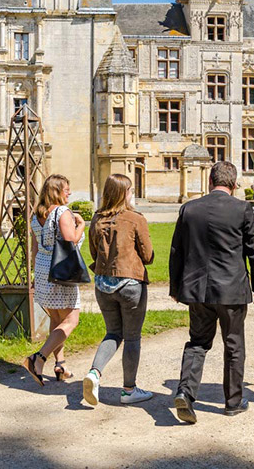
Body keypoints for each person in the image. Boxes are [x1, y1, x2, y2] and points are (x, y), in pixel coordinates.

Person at [169, 160, 254, 423]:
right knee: (233, 344)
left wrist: (175, 287)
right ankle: (233, 402)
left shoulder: (189, 208)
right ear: (234, 185)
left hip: (198, 289)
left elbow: (176, 251)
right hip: (232, 290)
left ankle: (185, 393)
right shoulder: (242, 209)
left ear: (210, 182)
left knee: (198, 342)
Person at [81, 174, 155, 406]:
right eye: (130, 190)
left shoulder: (96, 219)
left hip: (103, 284)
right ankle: (129, 390)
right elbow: (148, 255)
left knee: (113, 333)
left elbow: (94, 253)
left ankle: (94, 373)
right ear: (125, 193)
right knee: (132, 337)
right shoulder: (135, 219)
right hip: (130, 282)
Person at [22, 174, 85, 386]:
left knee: (57, 319)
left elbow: (35, 247)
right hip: (61, 272)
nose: (70, 192)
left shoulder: (36, 215)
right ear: (57, 191)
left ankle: (61, 365)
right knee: (71, 320)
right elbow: (70, 241)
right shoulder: (62, 212)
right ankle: (37, 358)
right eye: (67, 189)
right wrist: (81, 226)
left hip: (42, 270)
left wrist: (33, 275)